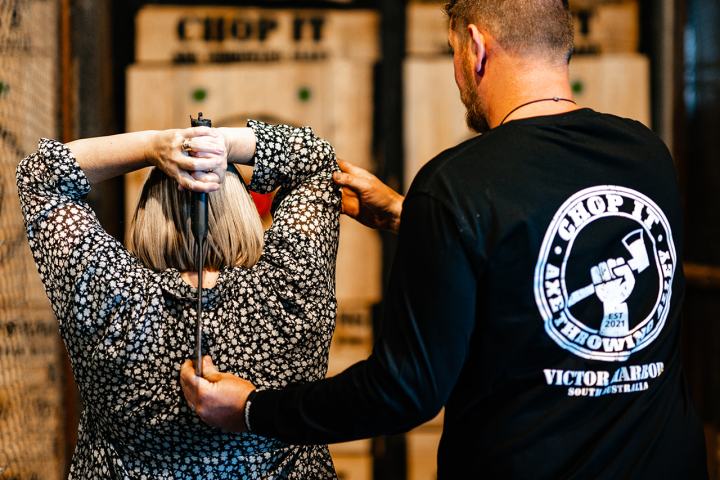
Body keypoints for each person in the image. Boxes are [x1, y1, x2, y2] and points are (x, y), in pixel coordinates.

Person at [181, 0, 710, 478]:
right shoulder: (646, 154)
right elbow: (528, 252)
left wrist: (253, 409)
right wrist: (410, 218)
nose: (458, 74)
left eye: (454, 53)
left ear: (477, 48)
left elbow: (404, 392)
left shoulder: (459, 183)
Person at [16, 121, 342, 478]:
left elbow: (40, 177)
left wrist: (153, 146)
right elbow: (317, 161)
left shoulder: (112, 295)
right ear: (242, 211)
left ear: (147, 217)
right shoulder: (291, 288)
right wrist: (222, 144)